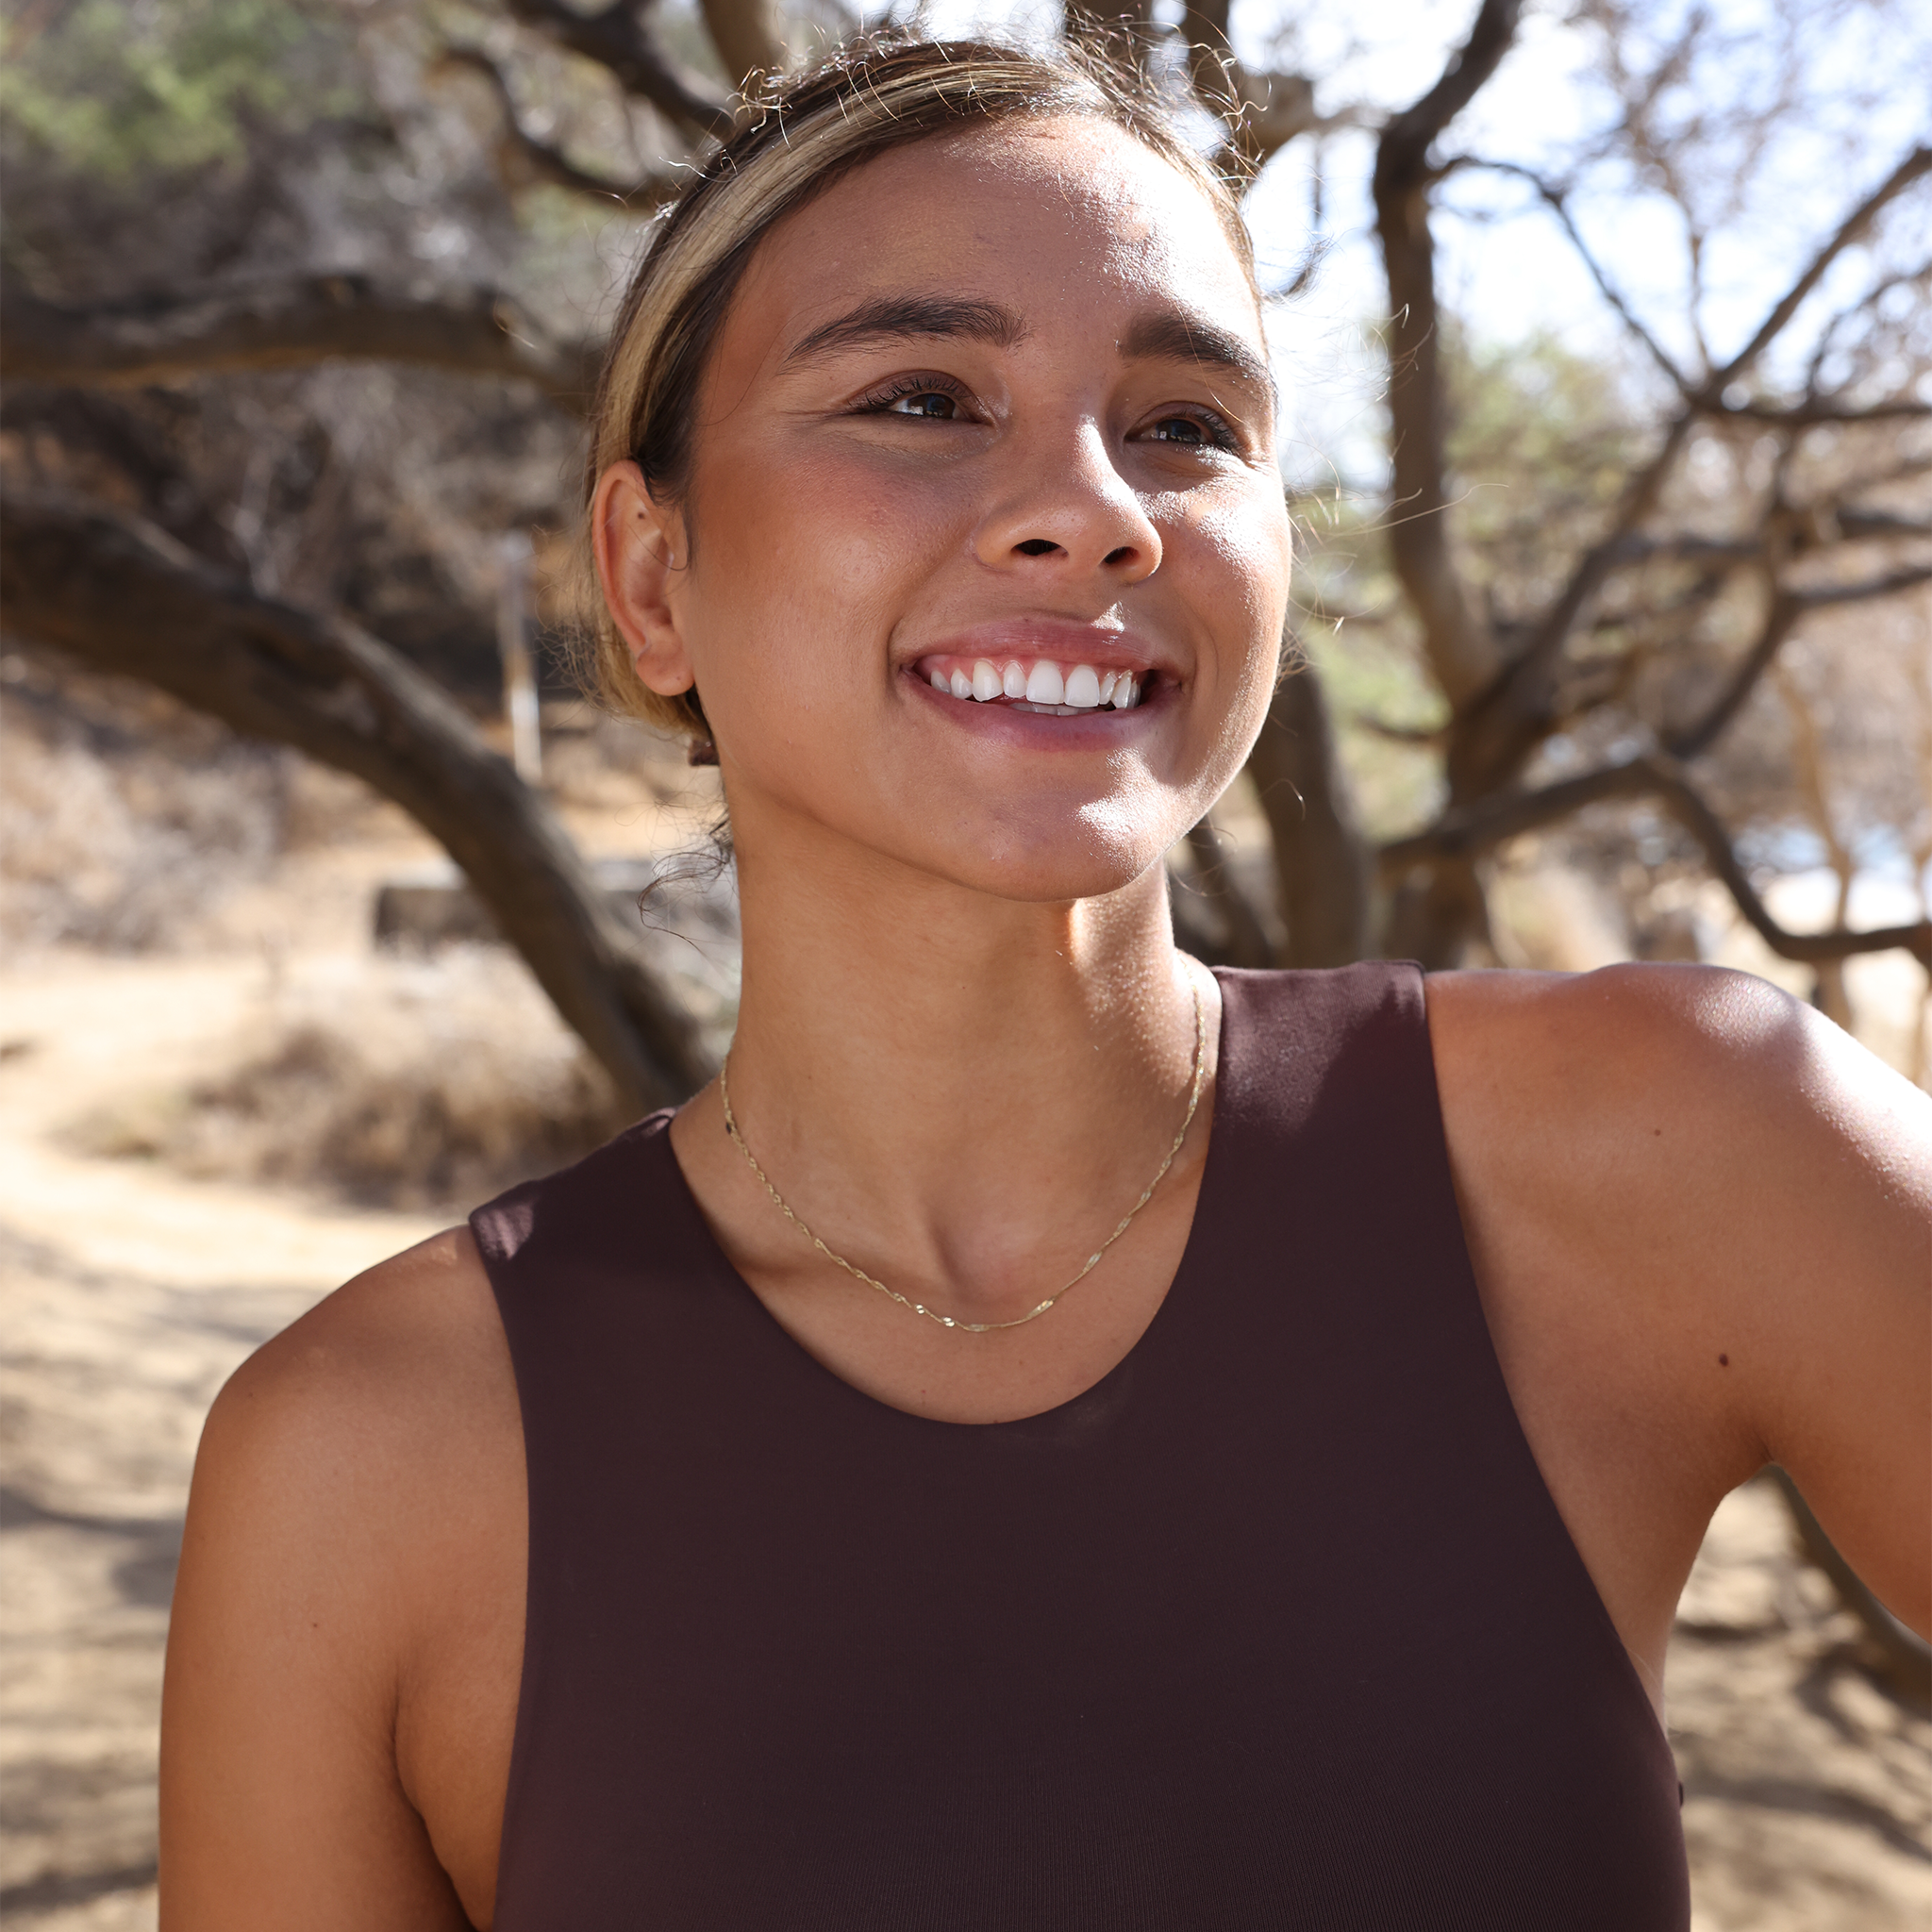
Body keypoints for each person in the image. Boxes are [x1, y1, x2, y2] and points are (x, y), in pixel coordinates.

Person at [158, 36, 1930, 1931]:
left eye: (1184, 426)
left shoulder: (1680, 1146)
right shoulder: (358, 1466)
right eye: (921, 395)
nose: (1095, 509)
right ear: (651, 575)